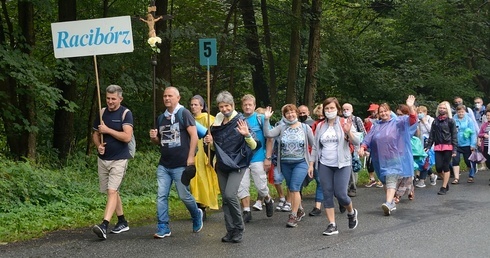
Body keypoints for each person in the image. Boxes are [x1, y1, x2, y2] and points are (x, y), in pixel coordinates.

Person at [203, 91, 258, 243]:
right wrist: (210, 142)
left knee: (230, 195)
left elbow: (253, 145)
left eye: (227, 106)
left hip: (237, 163)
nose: (224, 109)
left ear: (232, 105)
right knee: (225, 200)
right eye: (221, 106)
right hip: (222, 164)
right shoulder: (217, 123)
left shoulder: (240, 120)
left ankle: (239, 228)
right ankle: (230, 230)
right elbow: (215, 149)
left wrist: (246, 135)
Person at [149, 87, 203, 239]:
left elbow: (194, 136)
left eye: (170, 96)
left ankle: (196, 214)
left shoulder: (183, 113)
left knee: (184, 195)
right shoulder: (161, 118)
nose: (167, 98)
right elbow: (160, 141)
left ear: (178, 98)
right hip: (164, 164)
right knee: (161, 195)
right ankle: (163, 226)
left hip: (181, 164)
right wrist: (154, 138)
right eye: (165, 96)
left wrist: (191, 157)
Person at [359, 95, 417, 216]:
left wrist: (410, 106)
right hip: (380, 159)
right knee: (385, 181)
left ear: (390, 112)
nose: (384, 113)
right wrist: (362, 147)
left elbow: (412, 120)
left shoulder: (398, 122)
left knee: (390, 178)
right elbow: (368, 138)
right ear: (378, 114)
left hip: (394, 158)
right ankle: (391, 201)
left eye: (386, 111)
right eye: (381, 112)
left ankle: (389, 203)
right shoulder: (377, 126)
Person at [310, 97, 359, 235]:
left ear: (337, 110)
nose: (329, 111)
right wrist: (311, 163)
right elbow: (315, 146)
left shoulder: (345, 122)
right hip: (325, 164)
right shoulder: (320, 126)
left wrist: (349, 132)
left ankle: (351, 212)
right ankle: (332, 224)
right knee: (327, 193)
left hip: (342, 164)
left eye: (332, 108)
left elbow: (357, 141)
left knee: (341, 194)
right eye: (327, 108)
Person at [91, 84, 133, 240]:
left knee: (112, 191)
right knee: (113, 191)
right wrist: (98, 145)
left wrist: (108, 130)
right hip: (103, 159)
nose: (110, 102)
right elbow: (95, 134)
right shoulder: (102, 112)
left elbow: (127, 137)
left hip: (119, 159)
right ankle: (122, 221)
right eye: (108, 98)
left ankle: (104, 225)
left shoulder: (126, 114)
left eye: (113, 99)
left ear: (120, 99)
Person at [263, 104, 315, 227]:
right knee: (291, 188)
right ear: (284, 115)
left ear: (296, 113)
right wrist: (266, 119)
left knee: (294, 188)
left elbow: (314, 146)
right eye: (287, 113)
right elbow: (268, 134)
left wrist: (312, 163)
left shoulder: (305, 127)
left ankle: (293, 215)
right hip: (285, 164)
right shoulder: (281, 127)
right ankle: (300, 210)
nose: (290, 115)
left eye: (292, 112)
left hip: (301, 162)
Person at [238, 94, 274, 223]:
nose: (247, 107)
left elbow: (270, 138)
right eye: (245, 105)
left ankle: (268, 199)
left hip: (258, 157)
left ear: (254, 105)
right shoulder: (238, 119)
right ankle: (246, 211)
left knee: (261, 185)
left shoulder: (261, 118)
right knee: (242, 186)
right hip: (242, 159)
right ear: (242, 106)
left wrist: (268, 158)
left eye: (250, 105)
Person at [189, 95, 220, 220]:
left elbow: (215, 134)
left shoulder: (208, 119)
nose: (193, 107)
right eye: (191, 104)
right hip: (192, 150)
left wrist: (210, 139)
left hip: (204, 152)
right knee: (192, 180)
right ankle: (195, 205)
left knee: (202, 178)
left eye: (196, 104)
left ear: (202, 106)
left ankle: (202, 207)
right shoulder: (188, 118)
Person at [424, 101, 458, 195]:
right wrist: (428, 146)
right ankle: (445, 183)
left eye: (444, 108)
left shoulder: (451, 121)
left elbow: (454, 135)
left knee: (445, 166)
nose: (442, 109)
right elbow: (432, 135)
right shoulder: (435, 121)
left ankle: (443, 187)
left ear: (447, 110)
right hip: (438, 146)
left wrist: (454, 149)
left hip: (448, 146)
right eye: (440, 108)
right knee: (438, 168)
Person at [342, 103, 366, 197]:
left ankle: (352, 187)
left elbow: (364, 133)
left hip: (355, 146)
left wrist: (363, 147)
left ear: (352, 110)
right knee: (347, 167)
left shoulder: (357, 119)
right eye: (344, 109)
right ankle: (348, 187)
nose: (345, 111)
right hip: (344, 146)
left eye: (347, 109)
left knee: (353, 167)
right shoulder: (340, 120)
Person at [451, 105, 477, 184]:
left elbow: (473, 133)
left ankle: (471, 175)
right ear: (456, 112)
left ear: (465, 112)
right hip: (456, 143)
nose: (460, 113)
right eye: (459, 112)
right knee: (455, 160)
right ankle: (456, 178)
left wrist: (473, 144)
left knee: (468, 161)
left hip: (467, 143)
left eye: (462, 112)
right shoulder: (453, 120)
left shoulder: (469, 120)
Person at [415, 105, 437, 187]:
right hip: (421, 143)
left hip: (429, 143)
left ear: (425, 112)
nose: (419, 114)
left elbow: (432, 131)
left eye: (420, 112)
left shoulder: (431, 120)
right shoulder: (417, 121)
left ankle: (422, 180)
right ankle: (432, 175)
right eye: (418, 113)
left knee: (426, 161)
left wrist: (425, 122)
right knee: (421, 161)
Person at [309, 104, 325, 216]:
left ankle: (342, 200)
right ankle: (317, 206)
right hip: (319, 158)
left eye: (322, 116)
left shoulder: (338, 124)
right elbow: (313, 144)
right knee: (320, 181)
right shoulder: (315, 125)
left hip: (334, 159)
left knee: (336, 185)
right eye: (318, 116)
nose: (320, 118)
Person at [363, 104, 383, 188]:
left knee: (381, 161)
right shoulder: (369, 119)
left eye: (374, 111)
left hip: (381, 143)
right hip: (371, 142)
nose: (372, 113)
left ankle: (381, 179)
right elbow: (365, 130)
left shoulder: (383, 119)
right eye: (371, 111)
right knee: (369, 161)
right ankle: (372, 179)